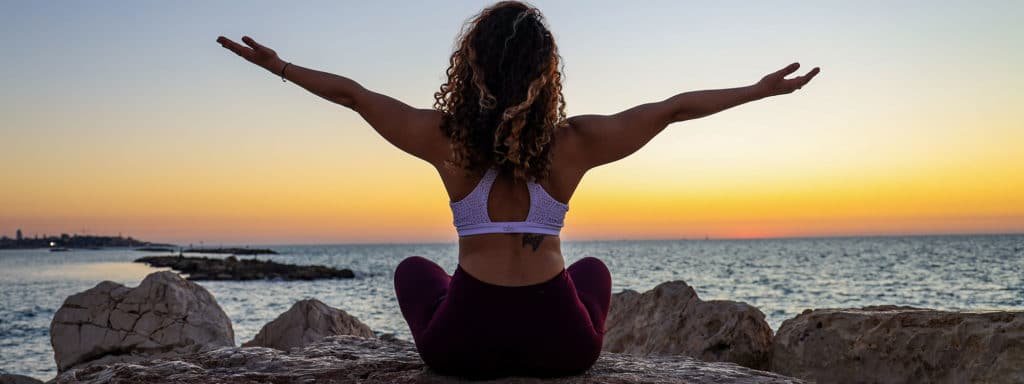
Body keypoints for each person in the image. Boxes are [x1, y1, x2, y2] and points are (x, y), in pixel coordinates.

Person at [217, 1, 819, 378]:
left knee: (413, 271)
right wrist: (757, 90)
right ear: (545, 73)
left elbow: (354, 95)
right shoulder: (575, 143)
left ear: (470, 67)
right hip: (561, 347)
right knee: (595, 273)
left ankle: (466, 297)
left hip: (462, 347)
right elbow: (672, 110)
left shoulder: (444, 138)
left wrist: (280, 67)